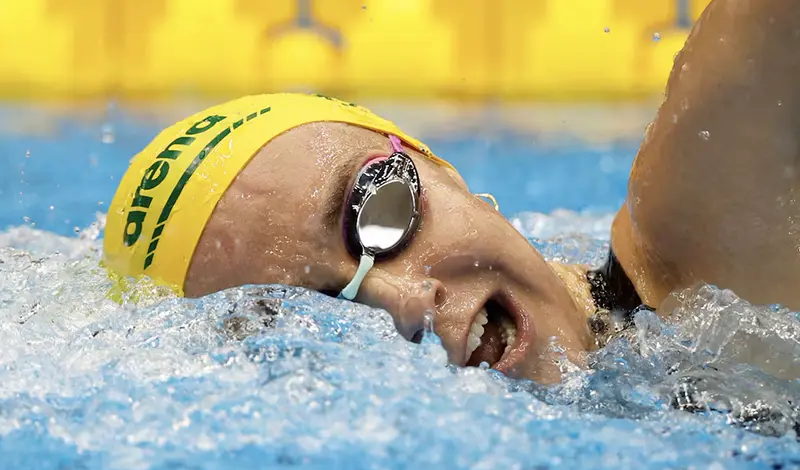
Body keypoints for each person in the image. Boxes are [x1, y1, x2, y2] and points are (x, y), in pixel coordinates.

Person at [104, 0, 800, 384]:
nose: (404, 306)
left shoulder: (710, 252)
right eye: (307, 319)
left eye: (378, 214)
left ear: (440, 168)